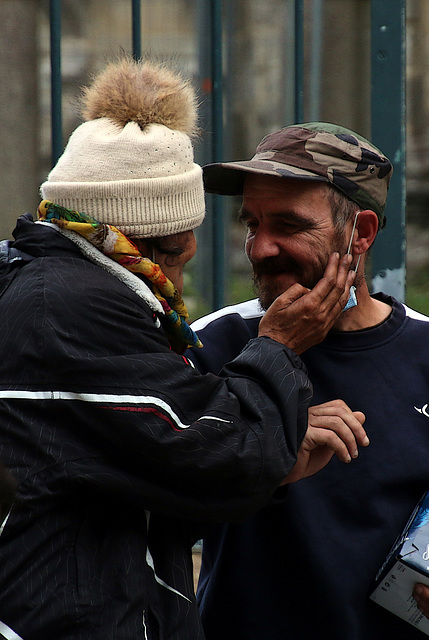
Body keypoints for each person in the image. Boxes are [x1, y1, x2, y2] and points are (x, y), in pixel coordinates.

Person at [0, 63, 364, 639]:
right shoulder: (70, 306)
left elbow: (147, 467)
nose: (190, 255)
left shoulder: (58, 285)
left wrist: (274, 449)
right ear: (138, 238)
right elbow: (218, 460)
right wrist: (279, 348)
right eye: (175, 248)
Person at [189, 122, 429, 640]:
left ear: (361, 233)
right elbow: (162, 513)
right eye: (252, 223)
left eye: (288, 225)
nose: (260, 248)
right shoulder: (214, 347)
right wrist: (272, 380)